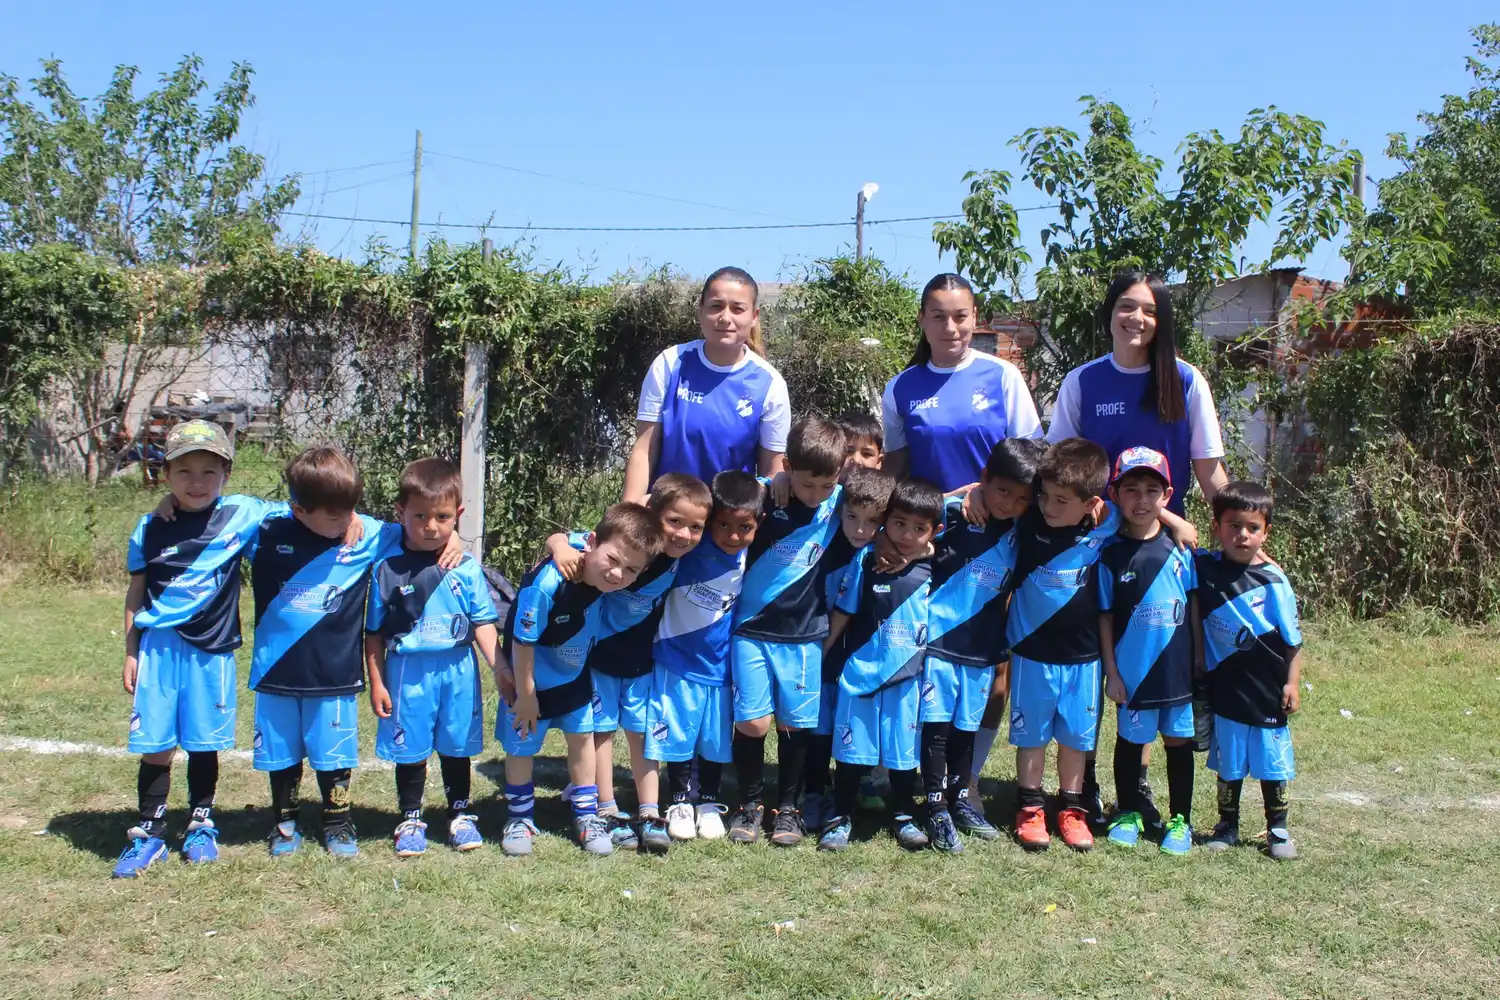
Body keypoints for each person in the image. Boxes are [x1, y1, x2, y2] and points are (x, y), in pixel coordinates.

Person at [1046, 271, 1228, 826]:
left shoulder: (1185, 380)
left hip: (1161, 548)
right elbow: (1059, 467)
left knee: (1148, 660)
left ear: (1161, 321)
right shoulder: (1082, 382)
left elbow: (1210, 471)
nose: (1137, 319)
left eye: (1149, 311)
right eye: (1127, 307)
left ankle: (1138, 787)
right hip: (1093, 548)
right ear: (1109, 313)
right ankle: (1085, 788)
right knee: (1093, 668)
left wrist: (1237, 532)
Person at [248, 447, 462, 859]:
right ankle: (284, 821)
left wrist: (453, 534)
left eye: (351, 510)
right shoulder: (266, 530)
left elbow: (421, 525)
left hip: (335, 675)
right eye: (335, 514)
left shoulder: (365, 533)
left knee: (333, 753)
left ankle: (337, 820)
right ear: (298, 509)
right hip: (276, 672)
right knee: (282, 755)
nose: (346, 520)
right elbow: (214, 513)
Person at [113, 420, 283, 877]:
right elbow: (136, 595)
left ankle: (201, 822)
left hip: (211, 652)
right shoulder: (149, 527)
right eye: (184, 471)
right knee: (156, 744)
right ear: (165, 475)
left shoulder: (241, 515)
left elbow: (306, 513)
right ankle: (149, 830)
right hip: (158, 651)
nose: (196, 482)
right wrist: (132, 650)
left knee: (204, 741)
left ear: (226, 474)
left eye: (209, 472)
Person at [542, 473, 714, 854]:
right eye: (675, 522)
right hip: (599, 657)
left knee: (642, 733)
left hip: (642, 663)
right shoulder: (629, 545)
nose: (684, 535)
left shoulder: (683, 559)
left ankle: (649, 813)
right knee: (601, 732)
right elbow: (569, 540)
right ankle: (606, 810)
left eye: (695, 527)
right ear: (654, 514)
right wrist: (558, 546)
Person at [499, 503, 665, 857]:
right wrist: (526, 695)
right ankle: (519, 818)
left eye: (632, 570)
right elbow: (522, 640)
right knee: (521, 746)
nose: (618, 574)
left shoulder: (593, 549)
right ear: (591, 543)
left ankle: (587, 816)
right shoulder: (548, 582)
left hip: (574, 676)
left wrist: (557, 541)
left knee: (582, 740)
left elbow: (561, 537)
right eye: (613, 560)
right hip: (530, 681)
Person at [364, 458, 504, 857]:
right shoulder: (385, 567)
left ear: (458, 516)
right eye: (419, 516)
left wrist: (501, 667)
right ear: (400, 514)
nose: (431, 526)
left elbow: (482, 622)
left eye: (443, 517)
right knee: (411, 749)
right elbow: (373, 633)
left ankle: (459, 813)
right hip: (408, 670)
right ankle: (410, 818)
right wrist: (376, 680)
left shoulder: (466, 567)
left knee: (456, 745)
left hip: (458, 670)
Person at [917, 438, 1043, 852]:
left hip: (983, 649)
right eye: (1003, 491)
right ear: (984, 479)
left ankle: (959, 799)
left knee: (966, 728)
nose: (1009, 504)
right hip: (938, 642)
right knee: (936, 728)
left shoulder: (1025, 529)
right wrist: (961, 494)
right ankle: (934, 807)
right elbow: (901, 515)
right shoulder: (952, 514)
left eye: (1022, 498)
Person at [727, 417, 846, 847]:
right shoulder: (761, 495)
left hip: (805, 636)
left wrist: (973, 495)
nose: (815, 495)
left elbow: (898, 496)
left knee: (795, 726)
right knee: (754, 723)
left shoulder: (840, 501)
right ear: (789, 465)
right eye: (805, 483)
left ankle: (789, 809)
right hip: (751, 630)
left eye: (825, 485)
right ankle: (749, 803)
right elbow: (707, 498)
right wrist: (774, 477)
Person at [1006, 438, 1120, 853]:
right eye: (1045, 496)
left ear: (1090, 504)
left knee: (1076, 739)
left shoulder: (1105, 532)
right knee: (1031, 737)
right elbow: (975, 499)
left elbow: (1141, 508)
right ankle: (1030, 808)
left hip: (1084, 662)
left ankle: (1071, 810)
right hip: (1032, 656)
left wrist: (1176, 522)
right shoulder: (1025, 524)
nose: (1048, 507)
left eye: (1060, 501)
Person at [818, 478, 944, 852]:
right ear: (886, 521)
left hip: (907, 679)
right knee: (851, 751)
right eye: (899, 523)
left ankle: (903, 814)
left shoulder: (934, 569)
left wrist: (928, 550)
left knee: (903, 753)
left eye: (919, 529)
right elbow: (843, 611)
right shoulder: (867, 561)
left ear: (932, 532)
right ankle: (840, 816)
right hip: (861, 675)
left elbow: (955, 510)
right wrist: (824, 652)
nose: (906, 535)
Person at [645, 471, 763, 845]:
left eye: (743, 527)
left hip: (720, 665)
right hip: (676, 659)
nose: (732, 535)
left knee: (714, 739)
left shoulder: (752, 552)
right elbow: (625, 532)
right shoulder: (689, 548)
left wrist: (773, 482)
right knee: (677, 733)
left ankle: (709, 803)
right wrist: (561, 542)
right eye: (722, 525)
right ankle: (679, 801)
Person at [1098, 447, 1201, 855]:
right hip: (1133, 674)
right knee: (1130, 744)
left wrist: (1198, 660)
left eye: (1151, 491)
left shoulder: (1180, 550)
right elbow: (1105, 617)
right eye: (1132, 489)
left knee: (1178, 743)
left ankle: (1181, 820)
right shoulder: (1109, 554)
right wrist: (1112, 672)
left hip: (1176, 672)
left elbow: (1192, 606)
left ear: (1167, 495)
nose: (1142, 500)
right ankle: (1127, 811)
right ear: (1116, 494)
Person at [1197, 481, 1303, 861]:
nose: (1242, 535)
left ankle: (1278, 828)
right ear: (1216, 527)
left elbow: (1293, 641)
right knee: (1229, 763)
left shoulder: (1275, 582)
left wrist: (1292, 683)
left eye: (1252, 528)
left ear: (1265, 532)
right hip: (1226, 687)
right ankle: (1227, 824)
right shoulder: (1204, 568)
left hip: (1267, 689)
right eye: (1233, 526)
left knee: (1273, 763)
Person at [623, 266, 790, 501]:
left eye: (738, 309)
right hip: (666, 519)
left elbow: (771, 472)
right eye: (716, 306)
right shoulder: (670, 363)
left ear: (754, 317)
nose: (725, 317)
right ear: (700, 312)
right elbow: (644, 449)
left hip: (727, 529)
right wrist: (628, 516)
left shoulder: (770, 384)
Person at [881, 274, 1042, 492]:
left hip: (995, 521)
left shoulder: (1003, 375)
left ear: (974, 317)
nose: (950, 328)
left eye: (960, 316)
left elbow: (1032, 456)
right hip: (927, 522)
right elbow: (895, 468)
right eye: (938, 317)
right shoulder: (899, 388)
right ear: (922, 318)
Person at [802, 467, 894, 830]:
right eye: (852, 517)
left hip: (860, 656)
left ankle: (858, 782)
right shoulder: (826, 541)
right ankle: (813, 790)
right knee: (820, 727)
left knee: (853, 723)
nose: (859, 529)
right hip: (821, 651)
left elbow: (936, 509)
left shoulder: (887, 553)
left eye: (872, 521)